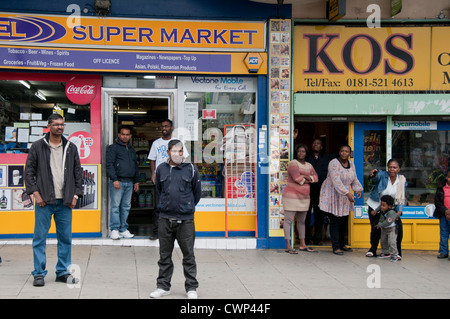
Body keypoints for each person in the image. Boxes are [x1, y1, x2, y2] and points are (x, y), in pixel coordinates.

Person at [25, 113, 83, 287]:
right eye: (56, 124)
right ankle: (39, 273)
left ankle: (62, 272)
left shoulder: (71, 147)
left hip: (65, 202)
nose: (60, 127)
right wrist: (36, 194)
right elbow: (29, 172)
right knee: (39, 238)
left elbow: (78, 174)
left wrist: (75, 195)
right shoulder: (37, 147)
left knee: (65, 239)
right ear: (48, 126)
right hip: (44, 201)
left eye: (62, 125)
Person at [149, 139, 201, 299]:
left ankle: (191, 287)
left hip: (185, 220)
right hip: (164, 218)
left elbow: (196, 194)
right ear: (168, 152)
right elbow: (159, 190)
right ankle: (163, 286)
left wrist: (186, 206)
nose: (178, 154)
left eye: (180, 151)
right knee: (164, 255)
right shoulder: (161, 169)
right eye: (174, 151)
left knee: (188, 255)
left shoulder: (191, 169)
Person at [147, 119, 188, 240]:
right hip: (161, 179)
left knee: (176, 205)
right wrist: (153, 174)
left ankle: (174, 233)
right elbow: (152, 160)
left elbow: (184, 158)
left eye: (166, 126)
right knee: (159, 206)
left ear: (171, 128)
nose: (164, 128)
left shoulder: (177, 142)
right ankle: (156, 232)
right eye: (162, 126)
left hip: (176, 178)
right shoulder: (156, 143)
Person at [319, 144, 363, 255]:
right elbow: (336, 181)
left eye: (347, 151)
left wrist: (358, 189)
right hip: (333, 194)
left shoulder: (351, 164)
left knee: (344, 220)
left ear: (349, 153)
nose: (344, 153)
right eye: (342, 151)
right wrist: (347, 193)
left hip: (344, 196)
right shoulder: (333, 163)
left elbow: (354, 179)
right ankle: (336, 247)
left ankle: (342, 244)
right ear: (339, 152)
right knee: (335, 220)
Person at [366, 159, 406, 258]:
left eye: (394, 167)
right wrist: (373, 174)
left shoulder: (401, 180)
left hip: (390, 209)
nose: (392, 169)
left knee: (397, 229)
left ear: (399, 169)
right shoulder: (382, 175)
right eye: (390, 167)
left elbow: (402, 197)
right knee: (376, 229)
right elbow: (375, 177)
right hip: (375, 206)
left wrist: (399, 211)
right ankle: (372, 250)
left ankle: (397, 253)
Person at [282, 144, 318, 254]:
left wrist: (306, 178)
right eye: (299, 151)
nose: (301, 153)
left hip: (304, 198)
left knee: (301, 222)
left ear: (306, 153)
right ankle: (288, 245)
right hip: (291, 197)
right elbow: (298, 179)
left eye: (303, 151)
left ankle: (302, 244)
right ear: (296, 153)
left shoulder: (309, 165)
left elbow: (316, 178)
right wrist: (308, 178)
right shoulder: (293, 163)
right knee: (288, 221)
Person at [106, 126, 140, 240]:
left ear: (130, 136)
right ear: (119, 135)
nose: (125, 136)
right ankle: (114, 230)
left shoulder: (131, 150)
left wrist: (137, 181)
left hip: (129, 182)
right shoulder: (113, 148)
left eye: (127, 134)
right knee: (115, 206)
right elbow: (109, 164)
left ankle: (123, 229)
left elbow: (135, 166)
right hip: (118, 181)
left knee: (126, 207)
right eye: (123, 134)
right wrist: (114, 179)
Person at [305, 137, 334, 245]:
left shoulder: (327, 157)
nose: (316, 144)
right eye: (314, 143)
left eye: (318, 143)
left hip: (321, 191)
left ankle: (317, 238)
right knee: (306, 216)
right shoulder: (307, 157)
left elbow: (341, 153)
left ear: (321, 146)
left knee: (319, 216)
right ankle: (307, 238)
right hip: (307, 191)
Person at [375, 195, 400, 262]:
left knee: (392, 242)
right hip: (384, 229)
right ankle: (386, 253)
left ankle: (394, 255)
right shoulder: (383, 211)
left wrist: (380, 225)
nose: (381, 207)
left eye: (383, 205)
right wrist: (379, 223)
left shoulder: (391, 212)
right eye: (381, 205)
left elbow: (388, 222)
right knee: (383, 241)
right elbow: (381, 218)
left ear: (389, 206)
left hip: (392, 229)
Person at [433, 169, 450, 260]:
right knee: (444, 233)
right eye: (449, 177)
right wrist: (446, 211)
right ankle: (444, 252)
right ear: (447, 178)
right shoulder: (441, 189)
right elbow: (438, 202)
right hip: (443, 215)